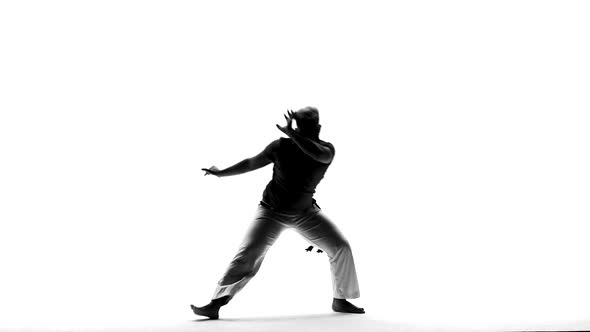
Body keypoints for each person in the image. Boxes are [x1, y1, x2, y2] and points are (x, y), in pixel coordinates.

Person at [191, 107, 364, 319]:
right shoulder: (280, 147)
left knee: (340, 247)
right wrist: (221, 173)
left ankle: (341, 300)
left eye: (310, 128)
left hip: (305, 212)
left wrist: (292, 133)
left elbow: (316, 153)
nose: (310, 131)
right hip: (271, 211)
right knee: (247, 254)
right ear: (310, 127)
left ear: (318, 127)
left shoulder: (327, 150)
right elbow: (250, 163)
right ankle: (215, 304)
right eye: (305, 128)